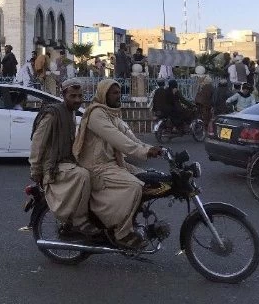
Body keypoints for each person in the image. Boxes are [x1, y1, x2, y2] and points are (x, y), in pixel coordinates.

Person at [73, 79, 163, 249]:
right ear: (104, 94)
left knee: (150, 177)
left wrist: (152, 148)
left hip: (112, 163)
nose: (118, 96)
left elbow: (129, 137)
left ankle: (133, 219)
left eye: (119, 92)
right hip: (96, 167)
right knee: (135, 186)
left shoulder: (111, 114)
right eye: (114, 93)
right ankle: (122, 232)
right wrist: (143, 152)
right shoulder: (96, 115)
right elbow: (119, 140)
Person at [29, 79, 100, 239]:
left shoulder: (71, 112)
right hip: (53, 167)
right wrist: (35, 170)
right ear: (63, 95)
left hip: (67, 162)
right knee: (82, 175)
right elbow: (37, 143)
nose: (77, 99)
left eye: (80, 96)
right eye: (72, 96)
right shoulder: (53, 114)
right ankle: (79, 221)